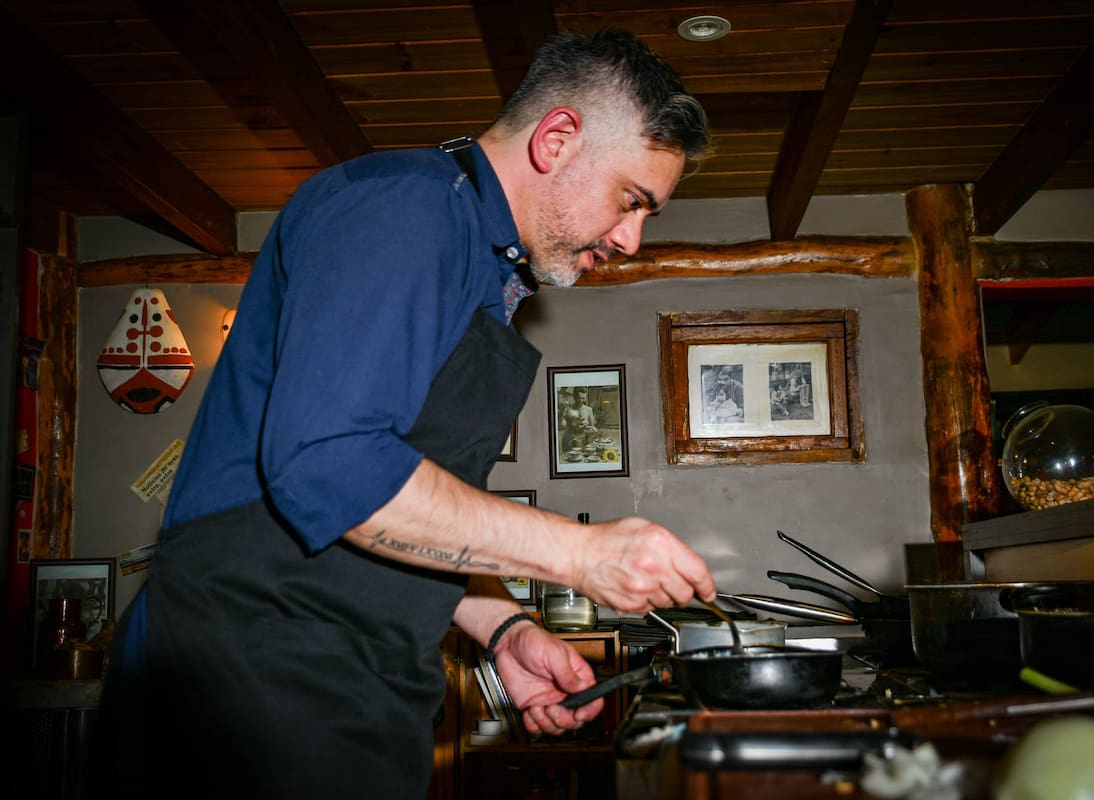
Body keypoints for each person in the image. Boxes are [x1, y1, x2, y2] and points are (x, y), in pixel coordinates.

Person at [96, 28, 715, 799]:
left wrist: (504, 629)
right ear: (557, 140)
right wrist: (580, 555)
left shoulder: (488, 273)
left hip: (351, 690)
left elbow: (410, 507)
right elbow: (334, 468)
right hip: (242, 689)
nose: (630, 238)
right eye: (632, 200)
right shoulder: (402, 209)